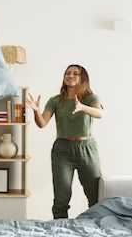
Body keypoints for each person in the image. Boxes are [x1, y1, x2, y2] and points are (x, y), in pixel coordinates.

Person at [25, 64, 103, 219]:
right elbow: (42, 124)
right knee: (61, 196)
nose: (70, 76)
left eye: (75, 74)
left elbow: (99, 113)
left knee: (94, 194)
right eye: (68, 73)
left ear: (82, 78)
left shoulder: (90, 98)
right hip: (62, 149)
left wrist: (82, 107)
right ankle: (60, 230)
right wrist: (35, 110)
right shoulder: (55, 101)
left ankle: (95, 228)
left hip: (86, 148)